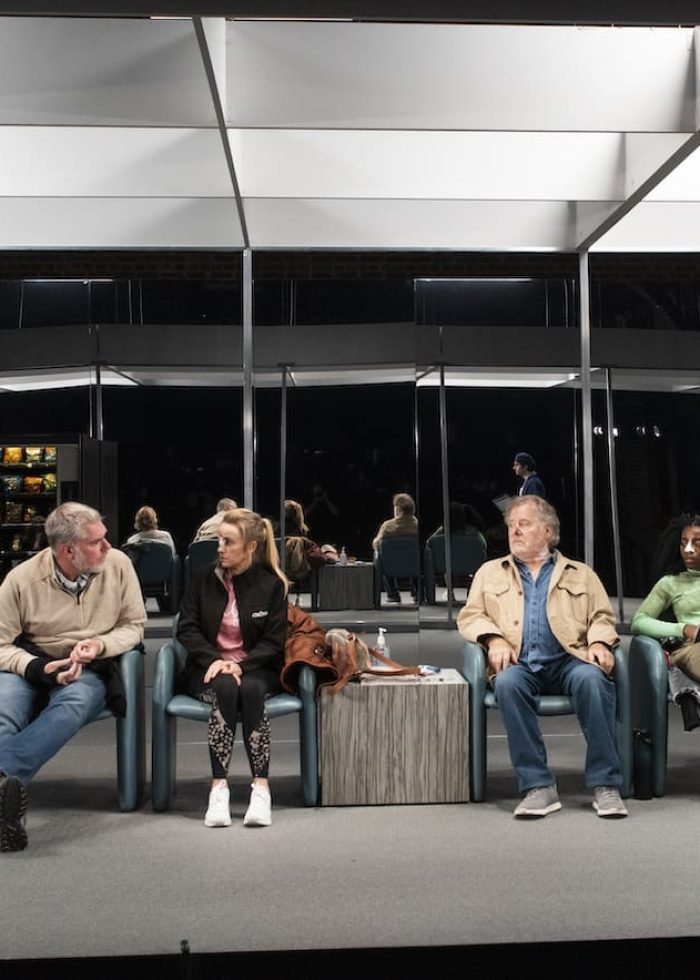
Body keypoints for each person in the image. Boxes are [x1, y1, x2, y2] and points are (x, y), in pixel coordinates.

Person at [457, 495, 627, 819]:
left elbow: (602, 617)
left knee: (593, 679)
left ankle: (606, 785)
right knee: (507, 684)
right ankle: (538, 786)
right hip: (519, 663)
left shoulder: (582, 574)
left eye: (524, 524)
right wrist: (492, 638)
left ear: (548, 531)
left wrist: (600, 642)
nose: (515, 532)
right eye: (511, 526)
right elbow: (470, 616)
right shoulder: (489, 573)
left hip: (568, 660)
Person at [0, 502, 146, 851]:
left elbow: (134, 627)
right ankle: (4, 807)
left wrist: (99, 644)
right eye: (97, 542)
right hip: (33, 661)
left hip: (92, 663)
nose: (108, 547)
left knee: (74, 702)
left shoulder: (118, 566)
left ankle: (4, 779)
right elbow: (1, 643)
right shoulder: (21, 580)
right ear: (68, 550)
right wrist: (35, 668)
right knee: (4, 709)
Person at [177, 507, 288, 829]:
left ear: (251, 547)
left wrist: (241, 665)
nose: (220, 548)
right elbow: (187, 628)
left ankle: (261, 787)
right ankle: (219, 787)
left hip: (257, 668)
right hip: (207, 667)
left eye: (228, 542)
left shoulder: (272, 585)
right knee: (225, 687)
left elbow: (274, 641)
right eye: (219, 541)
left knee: (250, 687)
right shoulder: (202, 579)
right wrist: (215, 661)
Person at [631, 512, 700, 731]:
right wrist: (683, 629)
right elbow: (639, 622)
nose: (688, 549)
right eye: (683, 543)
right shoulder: (670, 583)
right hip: (690, 647)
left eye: (696, 543)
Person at [371, 492, 418, 603]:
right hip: (414, 566)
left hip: (390, 567)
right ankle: (417, 593)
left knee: (382, 557)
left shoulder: (388, 526)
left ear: (397, 509)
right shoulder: (417, 525)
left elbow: (376, 545)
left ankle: (393, 594)